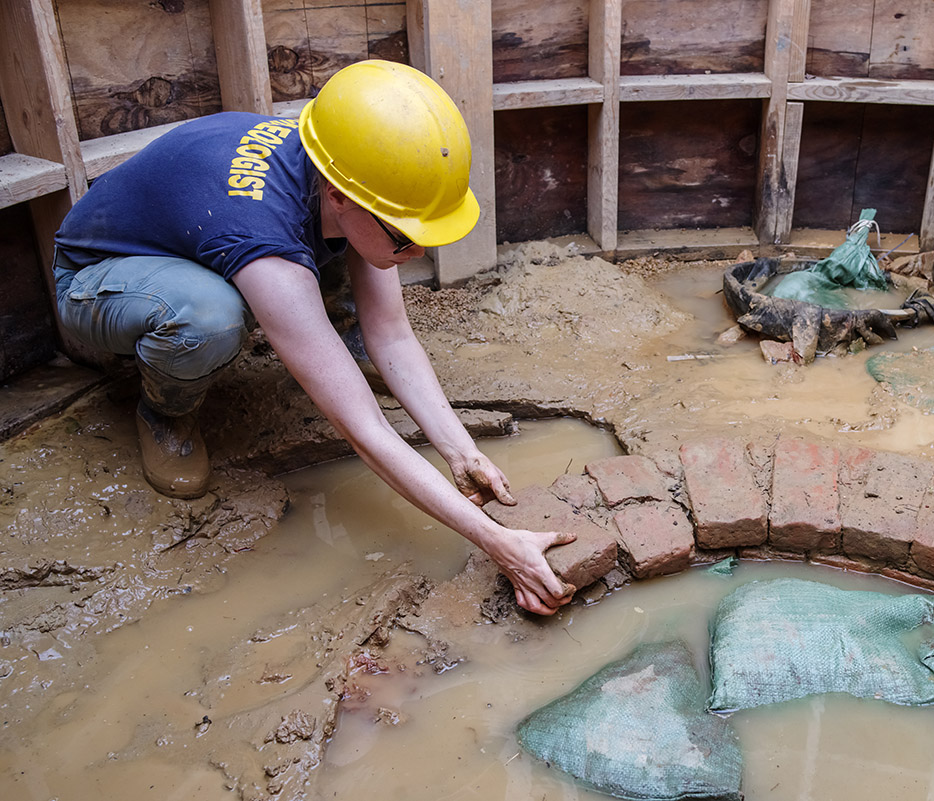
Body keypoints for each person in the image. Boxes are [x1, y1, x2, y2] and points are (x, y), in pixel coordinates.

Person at [52, 60, 576, 615]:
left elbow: (393, 336)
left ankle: (324, 337)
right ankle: (165, 412)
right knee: (211, 318)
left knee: (347, 278)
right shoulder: (267, 247)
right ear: (340, 195)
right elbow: (365, 432)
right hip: (100, 279)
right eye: (405, 237)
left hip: (217, 232)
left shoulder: (347, 163)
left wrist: (460, 449)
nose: (417, 254)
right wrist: (499, 542)